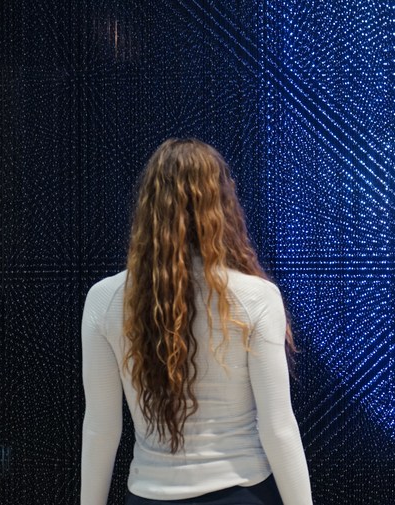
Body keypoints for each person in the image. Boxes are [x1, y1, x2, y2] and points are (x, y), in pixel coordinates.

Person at [80, 138, 313, 505]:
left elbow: (101, 428)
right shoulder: (256, 296)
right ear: (221, 203)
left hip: (148, 496)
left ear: (149, 205)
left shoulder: (104, 299)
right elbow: (278, 427)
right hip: (244, 494)